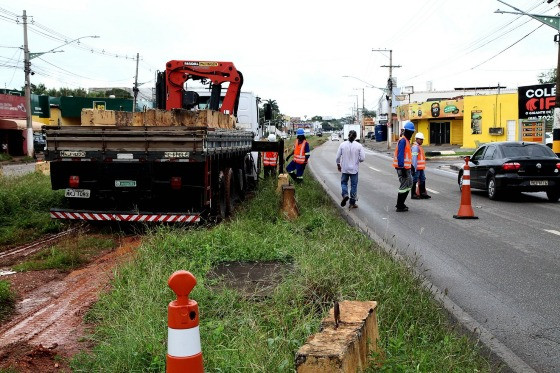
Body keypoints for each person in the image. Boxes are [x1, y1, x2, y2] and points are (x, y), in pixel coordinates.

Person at [335, 130, 365, 209]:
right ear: (355, 137)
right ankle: (352, 203)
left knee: (344, 183)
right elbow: (362, 158)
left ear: (348, 136)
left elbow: (337, 157)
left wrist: (338, 164)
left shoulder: (342, 144)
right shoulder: (359, 145)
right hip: (354, 170)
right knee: (354, 186)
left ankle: (345, 195)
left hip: (344, 168)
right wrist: (357, 160)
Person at [392, 121, 415, 212]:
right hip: (402, 168)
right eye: (411, 132)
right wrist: (403, 168)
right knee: (404, 186)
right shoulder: (403, 141)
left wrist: (411, 166)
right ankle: (399, 205)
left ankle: (401, 204)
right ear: (407, 132)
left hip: (406, 168)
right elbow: (400, 155)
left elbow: (407, 156)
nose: (412, 134)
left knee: (409, 184)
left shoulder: (406, 140)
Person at [411, 132, 431, 199]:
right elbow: (414, 158)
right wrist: (414, 168)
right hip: (417, 168)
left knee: (422, 179)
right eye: (421, 139)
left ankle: (422, 193)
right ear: (416, 139)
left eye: (422, 139)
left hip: (421, 168)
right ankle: (413, 194)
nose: (422, 141)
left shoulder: (419, 147)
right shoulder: (415, 147)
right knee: (414, 180)